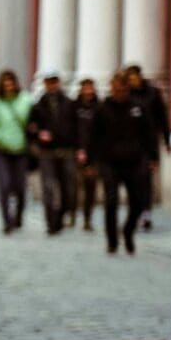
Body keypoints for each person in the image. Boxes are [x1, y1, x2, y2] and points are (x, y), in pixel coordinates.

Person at [89, 72, 156, 253]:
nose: (119, 92)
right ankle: (111, 240)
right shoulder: (103, 109)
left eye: (123, 89)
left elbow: (149, 133)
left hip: (134, 161)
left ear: (127, 89)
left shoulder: (138, 108)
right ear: (112, 88)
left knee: (138, 202)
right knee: (111, 201)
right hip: (109, 162)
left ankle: (127, 231)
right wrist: (90, 162)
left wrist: (153, 157)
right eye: (116, 88)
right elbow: (93, 137)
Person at [26, 72, 79, 234]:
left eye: (54, 82)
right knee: (48, 187)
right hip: (46, 152)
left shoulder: (69, 104)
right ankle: (51, 221)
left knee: (67, 187)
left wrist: (76, 146)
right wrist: (38, 134)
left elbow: (77, 127)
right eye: (48, 82)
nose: (51, 85)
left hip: (66, 150)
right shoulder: (38, 105)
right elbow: (30, 128)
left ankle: (62, 214)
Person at [0, 69, 33, 233]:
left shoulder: (25, 99)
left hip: (20, 149)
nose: (9, 87)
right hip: (1, 149)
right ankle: (6, 221)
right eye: (5, 85)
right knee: (4, 185)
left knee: (19, 187)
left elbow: (32, 121)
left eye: (11, 84)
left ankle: (18, 217)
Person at [123, 65, 170, 231]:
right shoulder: (125, 95)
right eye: (129, 78)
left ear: (140, 77)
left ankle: (146, 212)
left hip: (148, 143)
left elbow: (162, 117)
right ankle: (135, 211)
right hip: (129, 144)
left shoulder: (152, 93)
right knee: (132, 180)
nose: (132, 81)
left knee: (145, 178)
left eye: (134, 77)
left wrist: (167, 140)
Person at [73, 77, 102, 231]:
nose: (88, 92)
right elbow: (70, 129)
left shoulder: (100, 107)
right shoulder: (74, 107)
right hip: (75, 151)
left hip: (94, 154)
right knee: (73, 186)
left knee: (90, 187)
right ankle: (71, 214)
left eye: (91, 88)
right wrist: (77, 149)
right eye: (86, 88)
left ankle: (87, 218)